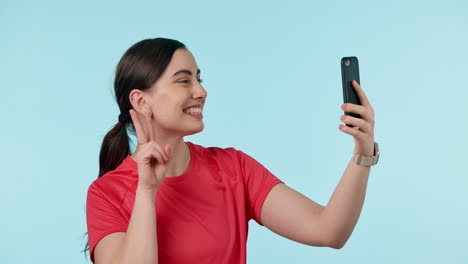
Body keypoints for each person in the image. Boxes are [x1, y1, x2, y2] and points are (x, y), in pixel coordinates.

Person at [85, 37, 378, 264]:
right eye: (184, 80)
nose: (201, 91)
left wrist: (362, 155)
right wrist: (147, 193)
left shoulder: (233, 168)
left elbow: (328, 231)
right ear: (141, 101)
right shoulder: (106, 194)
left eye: (199, 78)